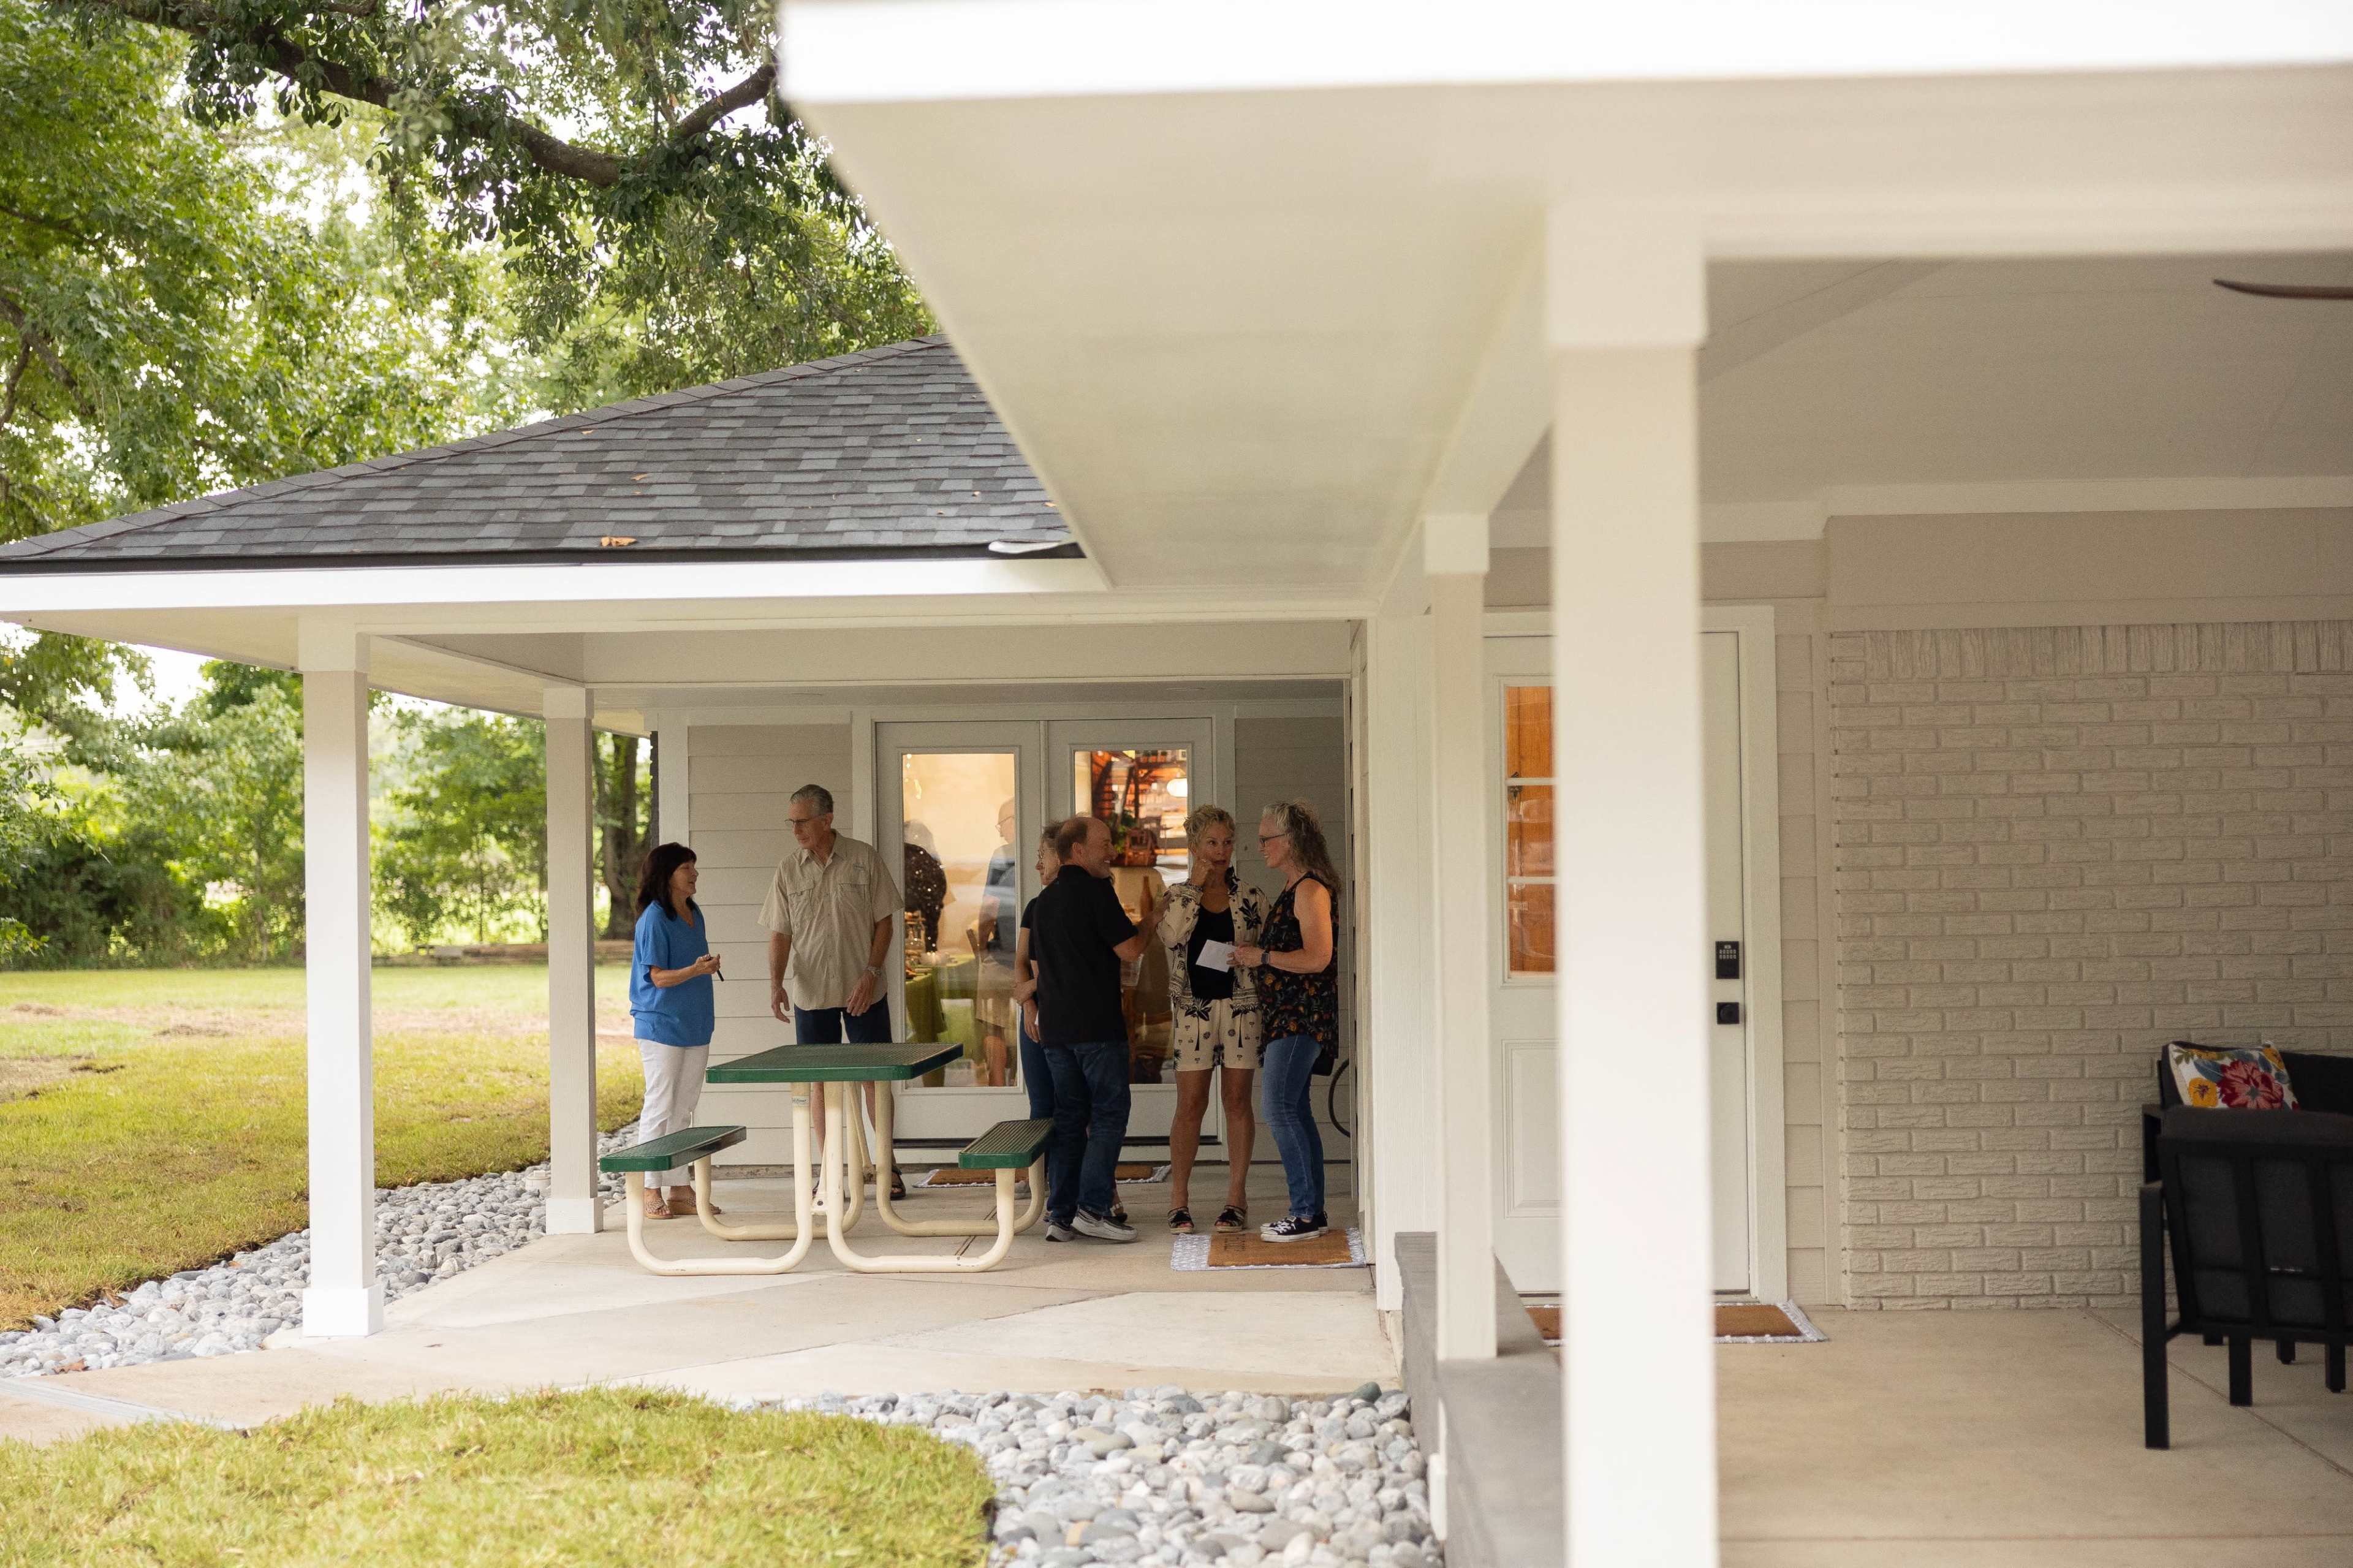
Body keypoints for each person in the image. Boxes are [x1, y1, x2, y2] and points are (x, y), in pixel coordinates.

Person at [761, 783, 906, 1199]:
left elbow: (885, 922)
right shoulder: (789, 870)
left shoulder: (864, 859)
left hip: (864, 989)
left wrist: (872, 973)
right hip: (812, 992)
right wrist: (775, 984)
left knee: (874, 1078)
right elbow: (780, 933)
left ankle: (886, 1164)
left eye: (802, 821)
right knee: (819, 1082)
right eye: (792, 822)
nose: (796, 830)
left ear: (827, 819)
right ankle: (828, 1172)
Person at [1029, 814, 1155, 1243]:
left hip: (1056, 1032)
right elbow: (1132, 948)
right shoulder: (1096, 891)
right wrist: (1152, 919)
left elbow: (1039, 971)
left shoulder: (1042, 902)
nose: (1112, 851)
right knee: (1108, 1117)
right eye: (1104, 843)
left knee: (1068, 1119)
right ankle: (1093, 1208)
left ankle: (1060, 1216)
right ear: (1078, 850)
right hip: (1097, 1029)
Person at [1154, 805, 1270, 1235]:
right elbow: (1170, 937)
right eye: (1211, 843)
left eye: (1226, 842)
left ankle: (1236, 1198)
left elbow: (1267, 950)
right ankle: (1179, 1200)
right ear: (1195, 846)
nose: (1221, 851)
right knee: (1190, 1105)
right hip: (1193, 1010)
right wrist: (1195, 888)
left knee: (1238, 1102)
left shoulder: (1252, 897)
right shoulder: (1179, 894)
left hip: (1241, 1008)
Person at [1233, 799, 1339, 1243]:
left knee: (1278, 1107)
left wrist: (1262, 956)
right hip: (1287, 1020)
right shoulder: (1294, 887)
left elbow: (1319, 957)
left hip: (1301, 1020)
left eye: (1266, 839)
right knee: (1295, 1110)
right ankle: (1310, 1211)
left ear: (1290, 840)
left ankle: (1304, 1213)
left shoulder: (1310, 891)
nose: (1260, 846)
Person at [629, 842, 722, 1221]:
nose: (695, 874)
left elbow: (690, 965)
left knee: (684, 1109)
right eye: (688, 868)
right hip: (661, 1025)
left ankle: (680, 1189)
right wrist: (696, 971)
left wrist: (704, 966)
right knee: (660, 1105)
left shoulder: (694, 913)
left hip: (696, 1022)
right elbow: (658, 977)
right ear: (668, 874)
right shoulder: (653, 919)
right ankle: (649, 1188)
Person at [973, 797, 1020, 1086]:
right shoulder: (1048, 853)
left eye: (1001, 824)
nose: (1001, 832)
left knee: (993, 1023)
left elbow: (989, 908)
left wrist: (980, 949)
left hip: (1005, 959)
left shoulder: (1003, 854)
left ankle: (998, 1085)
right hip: (1039, 962)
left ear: (1014, 820)